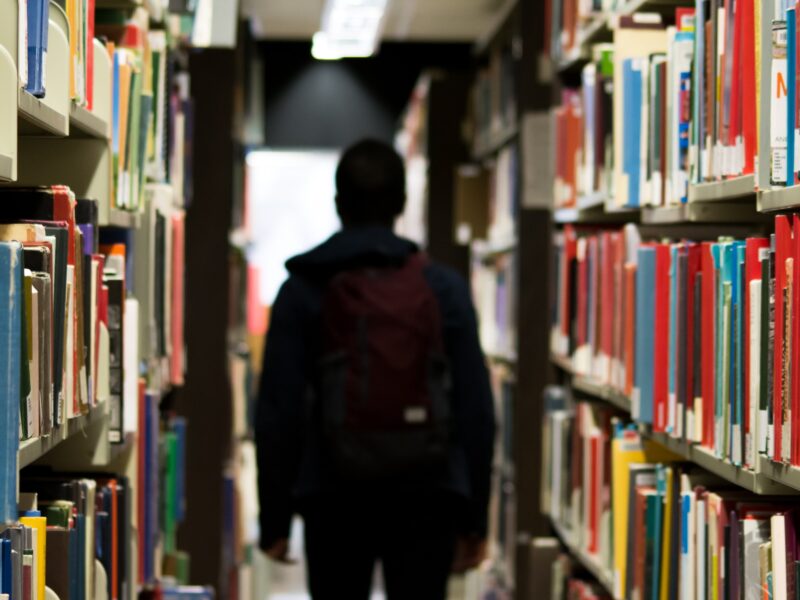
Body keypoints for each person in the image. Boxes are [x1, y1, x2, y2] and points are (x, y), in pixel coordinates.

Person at [255, 138, 496, 600]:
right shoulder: (442, 288)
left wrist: (275, 521)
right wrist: (474, 518)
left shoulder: (302, 289)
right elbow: (476, 411)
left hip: (333, 495)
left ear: (338, 203)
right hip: (429, 495)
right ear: (402, 203)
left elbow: (277, 412)